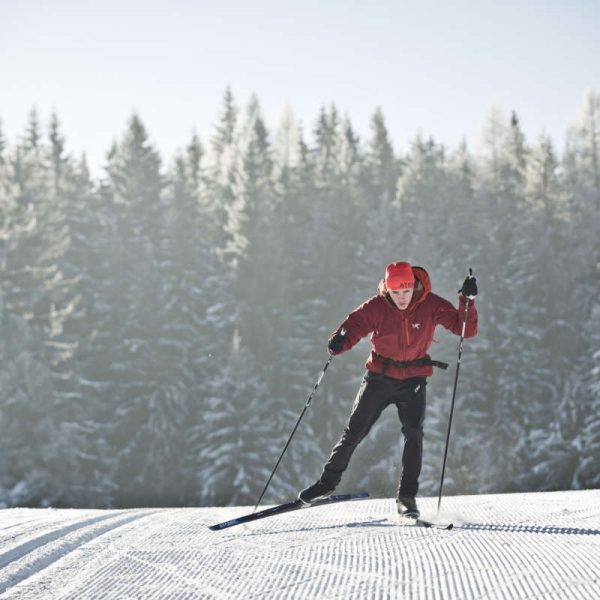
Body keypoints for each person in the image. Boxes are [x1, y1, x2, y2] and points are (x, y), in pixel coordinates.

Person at [298, 261, 478, 517]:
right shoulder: (377, 306)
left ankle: (407, 499)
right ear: (387, 290)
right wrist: (339, 341)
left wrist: (466, 300)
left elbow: (465, 329)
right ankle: (325, 485)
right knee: (354, 432)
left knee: (414, 434)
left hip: (413, 379)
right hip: (379, 378)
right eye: (396, 293)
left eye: (406, 292)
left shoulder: (430, 304)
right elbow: (354, 325)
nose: (401, 298)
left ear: (414, 287)